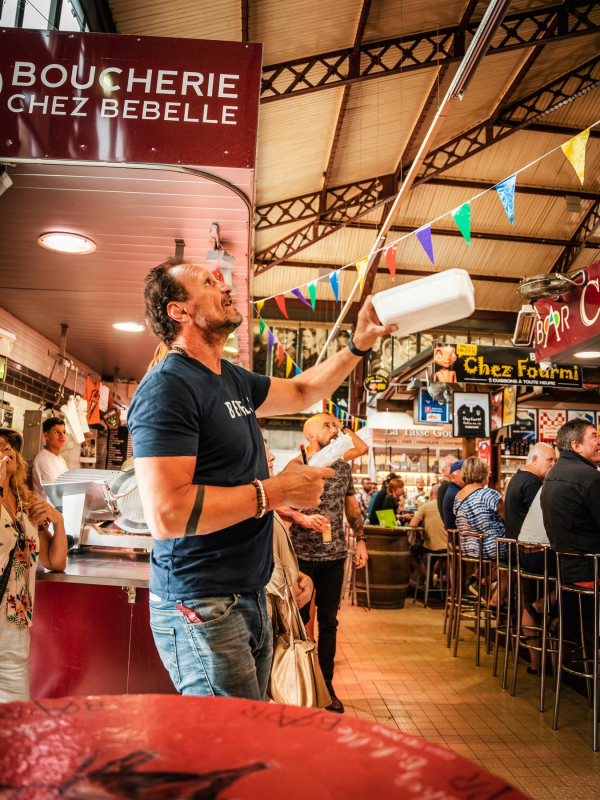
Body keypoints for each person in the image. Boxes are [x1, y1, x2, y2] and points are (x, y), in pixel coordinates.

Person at [128, 256, 396, 701]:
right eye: (210, 282)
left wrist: (360, 344)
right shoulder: (168, 387)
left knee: (247, 736)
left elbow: (305, 390)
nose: (226, 286)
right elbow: (167, 514)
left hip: (249, 592)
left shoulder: (230, 378)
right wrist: (277, 491)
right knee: (228, 751)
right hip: (202, 602)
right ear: (179, 311)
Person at [282, 413, 368, 713]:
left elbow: (352, 508)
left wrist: (362, 540)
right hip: (300, 558)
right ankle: (301, 685)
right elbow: (278, 505)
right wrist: (300, 517)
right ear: (310, 436)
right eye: (326, 425)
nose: (333, 430)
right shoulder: (296, 465)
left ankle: (327, 686)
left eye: (336, 425)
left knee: (329, 623)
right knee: (300, 623)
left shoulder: (342, 467)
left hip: (334, 556)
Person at [0, 429, 68, 703]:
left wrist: (59, 521)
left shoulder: (25, 503)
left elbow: (55, 561)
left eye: (8, 448)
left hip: (15, 619)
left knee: (15, 708)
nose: (5, 453)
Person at [504, 442, 557, 671]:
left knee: (529, 604)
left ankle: (536, 663)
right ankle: (540, 660)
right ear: (534, 459)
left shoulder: (517, 478)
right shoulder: (533, 483)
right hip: (533, 553)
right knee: (534, 604)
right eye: (550, 460)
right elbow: (547, 518)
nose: (553, 465)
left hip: (520, 552)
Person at [542, 419, 600, 586]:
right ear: (577, 446)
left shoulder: (552, 474)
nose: (599, 440)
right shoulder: (589, 476)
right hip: (591, 568)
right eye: (594, 436)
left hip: (566, 567)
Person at [454, 457, 507, 604]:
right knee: (518, 561)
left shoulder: (458, 496)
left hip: (469, 547)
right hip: (492, 548)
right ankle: (494, 594)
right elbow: (508, 519)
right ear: (482, 474)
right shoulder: (490, 495)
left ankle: (483, 582)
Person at [32, 418, 68, 501]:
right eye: (57, 432)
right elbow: (56, 493)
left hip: (59, 507)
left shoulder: (61, 460)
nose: (62, 436)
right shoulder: (44, 460)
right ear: (46, 436)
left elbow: (67, 486)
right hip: (48, 510)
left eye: (64, 432)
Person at [408, 483, 447, 559]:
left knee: (409, 551)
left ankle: (424, 570)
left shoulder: (425, 506)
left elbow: (413, 524)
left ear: (431, 493)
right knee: (443, 556)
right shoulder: (447, 506)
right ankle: (435, 570)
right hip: (448, 547)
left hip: (430, 546)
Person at [442, 460, 465, 531]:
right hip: (458, 538)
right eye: (464, 473)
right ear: (453, 476)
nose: (467, 476)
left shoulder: (456, 490)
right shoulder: (456, 493)